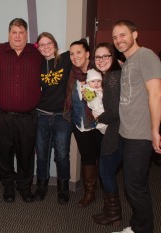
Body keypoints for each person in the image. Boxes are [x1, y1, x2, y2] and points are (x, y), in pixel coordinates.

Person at [111, 20, 161, 233]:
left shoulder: (146, 56)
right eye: (114, 37)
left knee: (134, 186)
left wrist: (154, 131)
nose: (118, 40)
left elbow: (156, 94)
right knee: (133, 184)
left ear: (135, 34)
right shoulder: (129, 61)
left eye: (122, 35)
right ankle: (138, 224)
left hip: (140, 134)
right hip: (127, 132)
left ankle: (143, 229)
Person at [0, 18, 43, 203]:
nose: (17, 36)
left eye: (21, 32)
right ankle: (8, 188)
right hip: (2, 116)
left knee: (26, 155)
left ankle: (25, 188)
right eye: (14, 32)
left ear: (27, 34)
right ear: (8, 33)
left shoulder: (37, 54)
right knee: (3, 154)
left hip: (28, 117)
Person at [34, 32, 72, 204]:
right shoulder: (37, 63)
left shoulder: (66, 58)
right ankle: (41, 187)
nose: (45, 47)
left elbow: (84, 60)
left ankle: (63, 189)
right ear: (38, 48)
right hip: (41, 115)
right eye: (41, 45)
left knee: (62, 155)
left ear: (55, 44)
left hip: (62, 116)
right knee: (42, 155)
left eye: (48, 43)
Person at [64, 38, 103, 207]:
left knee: (103, 158)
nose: (74, 56)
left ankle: (108, 192)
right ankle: (90, 192)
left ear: (88, 54)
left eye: (79, 52)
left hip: (98, 124)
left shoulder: (99, 73)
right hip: (79, 123)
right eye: (72, 53)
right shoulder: (72, 73)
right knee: (87, 157)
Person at [89, 43, 123, 226]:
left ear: (113, 57)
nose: (101, 60)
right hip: (119, 129)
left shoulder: (111, 79)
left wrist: (98, 118)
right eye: (98, 57)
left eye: (105, 56)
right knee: (107, 171)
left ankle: (113, 213)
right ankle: (111, 211)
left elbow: (114, 111)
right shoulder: (111, 76)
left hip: (117, 131)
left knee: (106, 171)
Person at [83, 68, 107, 134]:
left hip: (104, 110)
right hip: (96, 111)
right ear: (88, 82)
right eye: (93, 81)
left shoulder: (101, 89)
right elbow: (89, 97)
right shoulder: (87, 89)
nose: (96, 83)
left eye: (98, 81)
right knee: (102, 125)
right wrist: (95, 93)